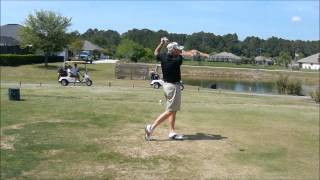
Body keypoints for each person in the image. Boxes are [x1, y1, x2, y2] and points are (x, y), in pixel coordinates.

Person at [145, 37, 185, 141]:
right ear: (173, 50)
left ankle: (172, 132)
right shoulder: (178, 59)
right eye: (177, 49)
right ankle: (151, 128)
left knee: (173, 110)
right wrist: (175, 48)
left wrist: (162, 43)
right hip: (173, 87)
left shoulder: (164, 56)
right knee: (170, 111)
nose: (179, 50)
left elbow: (156, 52)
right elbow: (181, 53)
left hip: (167, 86)